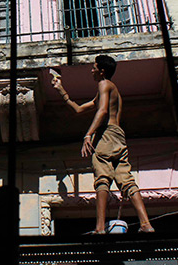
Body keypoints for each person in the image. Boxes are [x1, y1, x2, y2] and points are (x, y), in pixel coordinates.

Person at [52, 55, 154, 234]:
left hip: (106, 135)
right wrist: (61, 90)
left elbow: (102, 110)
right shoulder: (107, 90)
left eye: (93, 67)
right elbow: (78, 109)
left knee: (102, 179)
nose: (91, 70)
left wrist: (88, 135)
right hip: (118, 136)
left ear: (102, 71)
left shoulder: (104, 84)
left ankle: (100, 228)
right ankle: (146, 224)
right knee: (126, 180)